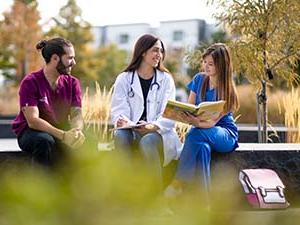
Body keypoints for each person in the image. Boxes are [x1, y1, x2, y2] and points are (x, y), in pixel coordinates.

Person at [164, 43, 239, 197]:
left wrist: (195, 123)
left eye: (211, 64)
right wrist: (180, 113)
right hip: (201, 130)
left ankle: (178, 183)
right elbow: (190, 106)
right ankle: (204, 203)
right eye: (205, 62)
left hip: (224, 134)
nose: (206, 66)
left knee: (195, 134)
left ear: (222, 65)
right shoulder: (199, 79)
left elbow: (211, 123)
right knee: (202, 148)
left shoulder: (227, 89)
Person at [111, 34, 182, 190]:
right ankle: (126, 191)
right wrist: (131, 124)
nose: (159, 55)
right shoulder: (124, 79)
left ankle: (156, 199)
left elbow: (169, 115)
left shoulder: (166, 79)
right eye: (155, 50)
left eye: (161, 51)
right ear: (143, 52)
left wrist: (152, 126)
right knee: (120, 136)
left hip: (158, 133)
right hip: (131, 130)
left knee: (148, 141)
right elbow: (118, 112)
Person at [12, 37, 85, 168]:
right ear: (55, 58)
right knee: (44, 141)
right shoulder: (30, 82)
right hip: (31, 132)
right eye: (70, 58)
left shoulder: (73, 83)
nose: (74, 62)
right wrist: (63, 136)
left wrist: (76, 131)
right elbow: (33, 121)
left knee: (89, 141)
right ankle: (40, 186)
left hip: (61, 129)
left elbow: (77, 114)